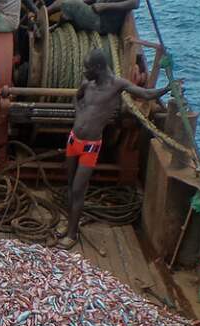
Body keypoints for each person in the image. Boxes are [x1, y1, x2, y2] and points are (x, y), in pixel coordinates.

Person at [56, 49, 172, 248]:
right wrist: (79, 113)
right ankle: (69, 223)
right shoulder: (87, 84)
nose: (84, 72)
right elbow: (77, 97)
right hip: (73, 140)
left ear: (99, 68)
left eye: (87, 68)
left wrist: (168, 88)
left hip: (90, 146)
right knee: (69, 186)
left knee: (78, 189)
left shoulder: (117, 85)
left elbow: (145, 94)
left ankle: (73, 234)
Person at [49, 0, 139, 35]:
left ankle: (40, 17)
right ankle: (52, 23)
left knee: (63, 3)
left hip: (103, 22)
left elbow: (135, 3)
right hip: (96, 13)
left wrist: (104, 6)